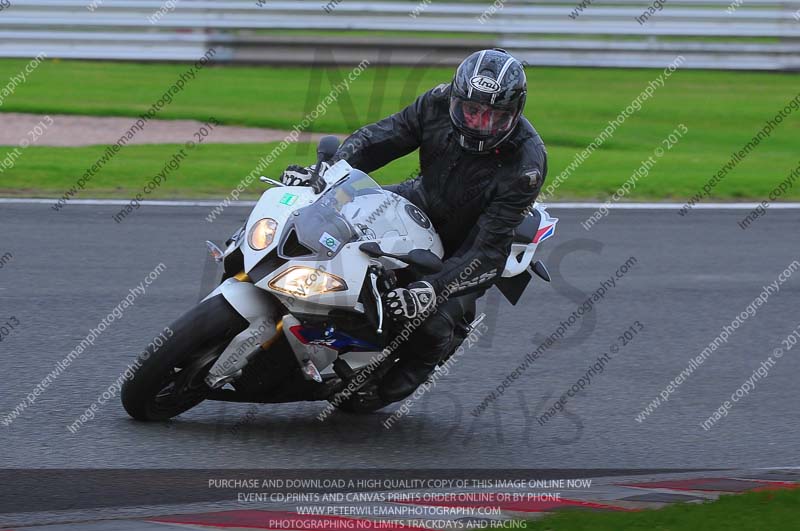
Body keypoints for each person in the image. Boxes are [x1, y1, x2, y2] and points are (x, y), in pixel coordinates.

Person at [280, 48, 547, 402]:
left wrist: (432, 290)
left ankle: (393, 386)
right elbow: (379, 139)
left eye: (493, 116)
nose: (479, 123)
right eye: (472, 110)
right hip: (420, 199)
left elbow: (488, 249)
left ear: (515, 114)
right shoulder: (435, 104)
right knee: (329, 209)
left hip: (466, 241)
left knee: (431, 321)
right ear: (456, 98)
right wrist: (328, 173)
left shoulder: (526, 165)